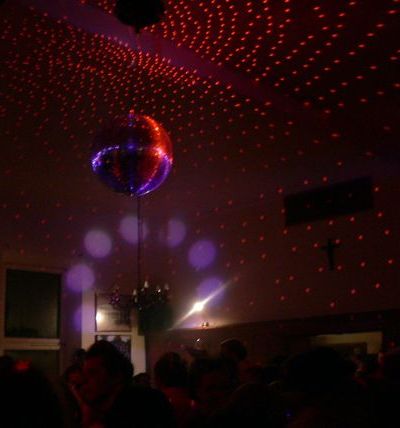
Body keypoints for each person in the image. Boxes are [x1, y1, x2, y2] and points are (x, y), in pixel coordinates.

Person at [79, 340, 176, 428]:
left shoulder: (146, 405)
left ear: (116, 375)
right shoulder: (96, 409)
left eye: (92, 373)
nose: (84, 380)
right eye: (84, 374)